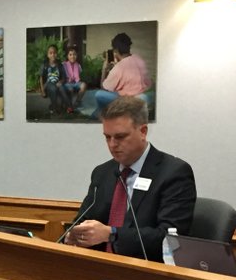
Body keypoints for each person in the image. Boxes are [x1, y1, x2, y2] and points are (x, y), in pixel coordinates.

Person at [65, 96, 195, 262]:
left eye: (120, 137)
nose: (112, 145)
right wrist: (72, 235)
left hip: (147, 273)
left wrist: (112, 234)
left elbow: (170, 239)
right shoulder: (102, 173)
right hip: (98, 268)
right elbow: (82, 220)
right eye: (107, 137)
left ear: (143, 131)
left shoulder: (174, 172)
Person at [94, 32, 152, 113]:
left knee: (99, 94)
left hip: (126, 100)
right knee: (145, 97)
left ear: (116, 50)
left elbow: (104, 87)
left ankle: (100, 115)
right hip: (140, 97)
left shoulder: (119, 67)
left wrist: (104, 69)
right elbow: (148, 84)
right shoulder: (139, 59)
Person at [40, 44, 70, 115]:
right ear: (48, 55)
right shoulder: (44, 64)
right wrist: (42, 90)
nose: (53, 55)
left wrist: (61, 81)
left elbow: (64, 77)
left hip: (57, 83)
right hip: (48, 84)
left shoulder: (60, 65)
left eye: (54, 53)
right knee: (53, 88)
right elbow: (41, 78)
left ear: (57, 54)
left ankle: (68, 107)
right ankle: (54, 108)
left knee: (62, 88)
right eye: (50, 53)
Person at [62, 46, 87, 112]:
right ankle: (69, 105)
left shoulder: (78, 65)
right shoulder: (64, 64)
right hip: (66, 83)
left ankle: (77, 102)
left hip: (75, 83)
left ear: (77, 56)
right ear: (67, 56)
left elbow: (78, 78)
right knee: (70, 89)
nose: (72, 56)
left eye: (74, 54)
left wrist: (78, 83)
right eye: (70, 55)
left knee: (83, 85)